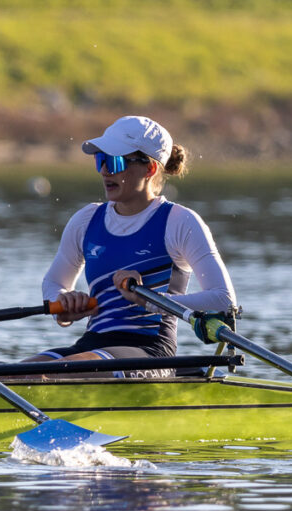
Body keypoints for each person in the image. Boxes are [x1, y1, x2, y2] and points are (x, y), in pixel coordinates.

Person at [23, 115, 235, 378]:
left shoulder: (179, 222)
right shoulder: (86, 220)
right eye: (101, 160)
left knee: (49, 376)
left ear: (150, 169)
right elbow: (53, 282)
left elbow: (224, 301)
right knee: (4, 377)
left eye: (115, 161)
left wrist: (151, 301)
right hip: (90, 346)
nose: (105, 171)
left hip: (150, 353)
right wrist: (64, 304)